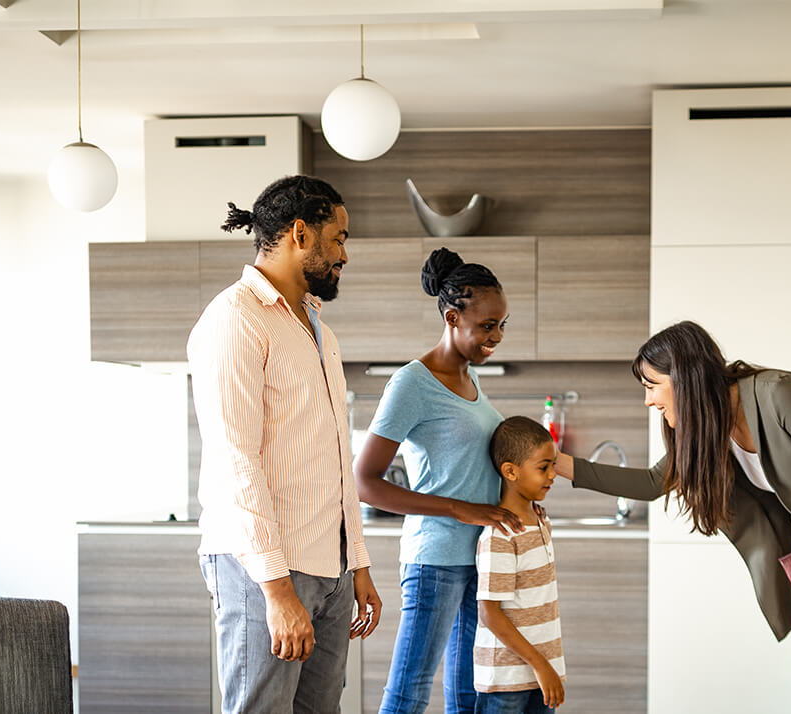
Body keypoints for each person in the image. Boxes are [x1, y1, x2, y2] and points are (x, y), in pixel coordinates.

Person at [552, 320, 791, 714]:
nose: (648, 401)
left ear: (685, 377)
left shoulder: (780, 395)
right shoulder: (711, 426)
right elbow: (652, 483)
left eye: (651, 386)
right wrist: (557, 463)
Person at [189, 174, 382, 714]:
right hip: (266, 566)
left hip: (330, 564)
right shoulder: (235, 318)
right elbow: (236, 461)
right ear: (301, 233)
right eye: (339, 237)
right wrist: (276, 590)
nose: (345, 253)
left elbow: (336, 458)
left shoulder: (319, 328)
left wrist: (357, 563)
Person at [354, 247, 525, 714]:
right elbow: (364, 481)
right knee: (410, 689)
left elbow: (470, 465)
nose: (497, 337)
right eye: (486, 326)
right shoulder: (413, 383)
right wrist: (458, 508)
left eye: (502, 324)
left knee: (468, 691)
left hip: (479, 555)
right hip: (435, 558)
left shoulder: (470, 379)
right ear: (452, 317)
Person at [474, 416, 567, 714]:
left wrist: (545, 667)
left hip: (542, 673)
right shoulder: (500, 535)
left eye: (552, 465)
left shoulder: (542, 520)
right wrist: (540, 664)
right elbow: (490, 614)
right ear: (511, 471)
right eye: (543, 467)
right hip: (508, 679)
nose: (553, 474)